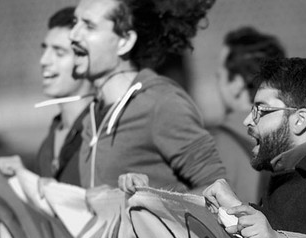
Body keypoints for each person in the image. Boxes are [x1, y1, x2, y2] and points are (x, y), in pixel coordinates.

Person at [69, 0, 225, 192]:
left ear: (124, 42)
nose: (73, 35)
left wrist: (152, 198)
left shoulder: (161, 103)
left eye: (89, 26)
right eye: (74, 22)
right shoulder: (92, 114)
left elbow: (217, 189)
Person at [203, 57, 306, 237]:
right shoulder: (286, 168)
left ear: (300, 120)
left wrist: (238, 210)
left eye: (261, 110)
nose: (247, 121)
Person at [210, 26, 286, 204]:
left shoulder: (218, 145)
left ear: (236, 83)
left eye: (219, 76)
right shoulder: (295, 132)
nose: (216, 81)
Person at [35, 6, 95, 185]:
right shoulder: (49, 142)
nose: (44, 61)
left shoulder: (103, 132)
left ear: (84, 59)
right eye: (45, 49)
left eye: (59, 53)